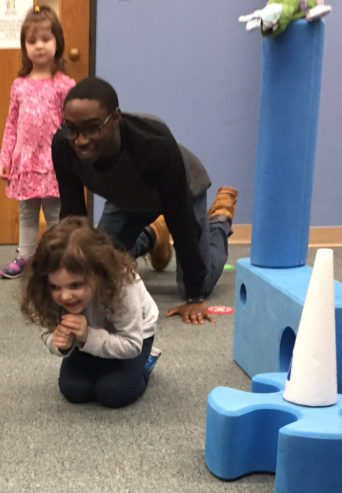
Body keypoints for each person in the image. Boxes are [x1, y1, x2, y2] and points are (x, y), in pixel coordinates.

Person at [52, 77, 238, 325]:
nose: (80, 140)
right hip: (126, 198)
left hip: (181, 193)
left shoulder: (155, 144)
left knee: (196, 284)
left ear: (115, 118)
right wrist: (67, 283)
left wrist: (195, 295)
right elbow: (73, 216)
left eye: (92, 128)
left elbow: (181, 219)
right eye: (72, 128)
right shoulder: (63, 144)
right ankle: (153, 234)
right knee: (100, 268)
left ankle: (219, 220)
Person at [20, 216, 159, 408]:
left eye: (76, 285)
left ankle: (148, 361)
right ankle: (99, 358)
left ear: (97, 272)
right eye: (55, 287)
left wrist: (88, 336)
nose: (65, 296)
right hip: (86, 339)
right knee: (74, 389)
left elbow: (131, 344)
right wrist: (60, 343)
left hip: (134, 338)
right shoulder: (49, 290)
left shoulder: (123, 286)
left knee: (112, 393)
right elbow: (48, 331)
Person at [0, 5, 76, 279]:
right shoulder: (19, 85)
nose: (39, 46)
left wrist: (72, 161)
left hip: (53, 162)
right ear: (24, 47)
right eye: (32, 41)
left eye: (45, 39)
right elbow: (11, 125)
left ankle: (56, 258)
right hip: (25, 160)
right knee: (28, 213)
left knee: (55, 214)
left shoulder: (64, 85)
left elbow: (72, 127)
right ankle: (25, 257)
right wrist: (5, 159)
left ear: (57, 43)